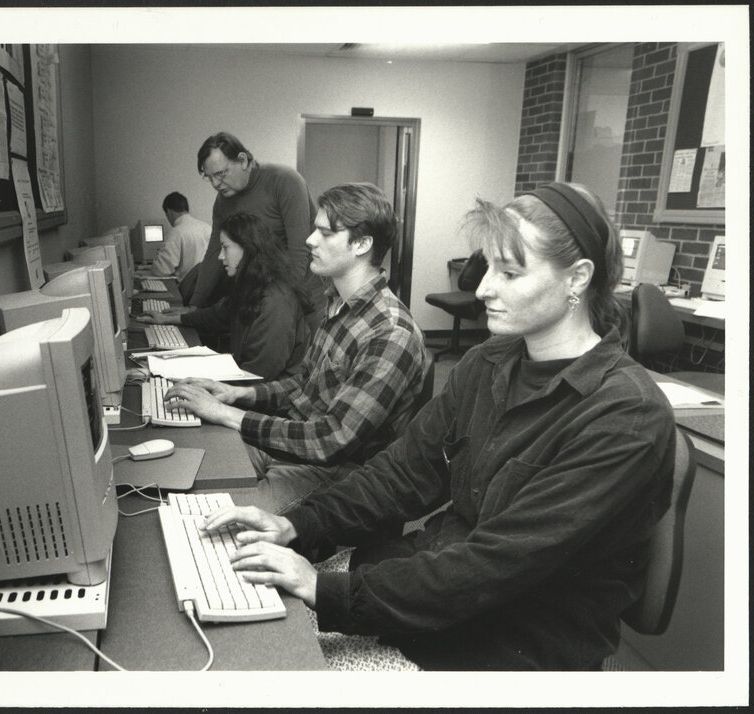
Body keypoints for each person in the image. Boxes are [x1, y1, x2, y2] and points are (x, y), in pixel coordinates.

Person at [201, 182, 676, 671]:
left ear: (577, 279)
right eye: (488, 265)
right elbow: (401, 474)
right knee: (245, 615)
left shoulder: (625, 416)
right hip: (429, 587)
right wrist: (295, 525)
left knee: (267, 669)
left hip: (505, 642)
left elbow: (494, 565)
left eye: (509, 272)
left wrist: (321, 588)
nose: (483, 288)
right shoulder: (489, 361)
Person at [165, 183, 427, 514]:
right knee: (185, 474)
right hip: (294, 445)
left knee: (209, 520)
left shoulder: (390, 332)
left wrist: (227, 414)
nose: (309, 240)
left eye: (325, 233)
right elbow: (303, 385)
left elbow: (331, 439)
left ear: (362, 244)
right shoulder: (336, 303)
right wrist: (235, 395)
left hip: (335, 471)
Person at [138, 212, 312, 381]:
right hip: (246, 383)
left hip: (263, 399)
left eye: (225, 247)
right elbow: (215, 316)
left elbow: (258, 376)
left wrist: (199, 381)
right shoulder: (251, 285)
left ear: (248, 248)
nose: (221, 256)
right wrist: (169, 319)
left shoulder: (275, 302)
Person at [189, 132, 326, 321]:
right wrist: (194, 306)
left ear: (243, 161)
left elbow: (299, 250)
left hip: (304, 288)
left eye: (220, 174)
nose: (215, 183)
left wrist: (282, 302)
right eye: (209, 177)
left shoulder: (285, 181)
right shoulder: (223, 202)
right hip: (266, 291)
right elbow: (214, 253)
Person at [148, 191, 211, 281]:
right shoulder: (207, 228)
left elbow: (162, 270)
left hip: (188, 288)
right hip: (209, 286)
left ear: (169, 212)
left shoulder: (176, 232)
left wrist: (154, 266)